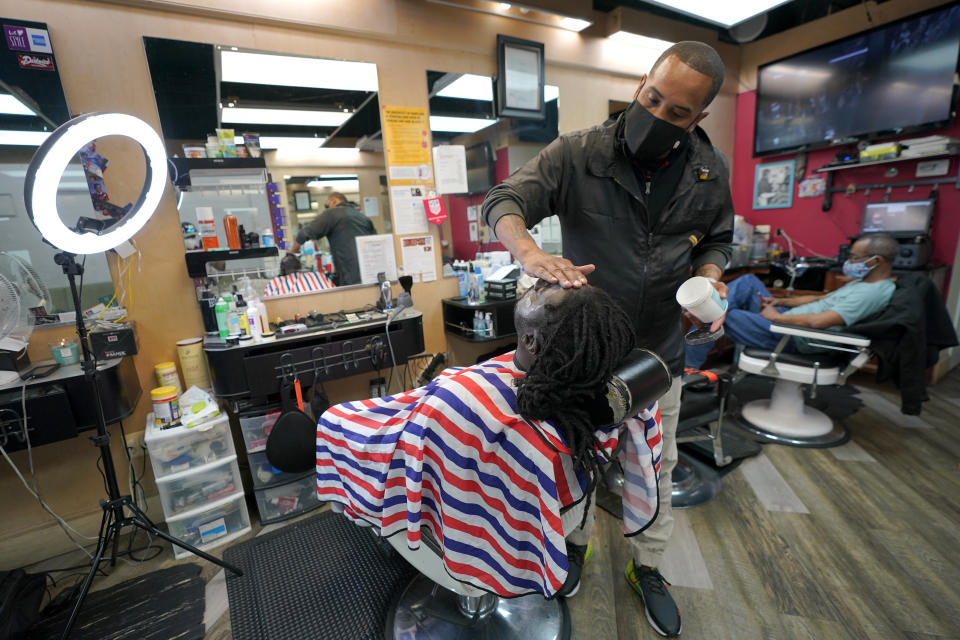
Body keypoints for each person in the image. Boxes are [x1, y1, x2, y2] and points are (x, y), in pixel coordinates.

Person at [481, 41, 733, 636]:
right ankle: (571, 546)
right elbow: (504, 199)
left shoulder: (707, 168)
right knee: (569, 462)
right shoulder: (577, 153)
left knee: (655, 468)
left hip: (659, 354)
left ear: (698, 118)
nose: (659, 114)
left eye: (677, 112)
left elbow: (718, 238)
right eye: (653, 98)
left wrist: (709, 277)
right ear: (643, 83)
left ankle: (648, 567)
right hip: (584, 355)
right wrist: (531, 251)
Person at [316, 281, 663, 598]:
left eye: (541, 292)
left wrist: (334, 423)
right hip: (554, 510)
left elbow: (398, 443)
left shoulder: (461, 400)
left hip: (444, 464)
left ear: (530, 341)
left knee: (335, 421)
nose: (542, 281)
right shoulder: (591, 389)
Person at [685, 233, 899, 368]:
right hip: (785, 321)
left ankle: (688, 368)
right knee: (749, 281)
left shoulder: (872, 293)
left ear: (876, 261)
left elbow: (819, 322)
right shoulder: (863, 283)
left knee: (718, 314)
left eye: (854, 257)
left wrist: (776, 317)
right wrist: (780, 303)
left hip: (793, 337)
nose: (849, 262)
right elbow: (823, 300)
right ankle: (703, 306)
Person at [288, 191, 375, 285]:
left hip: (349, 274)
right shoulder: (363, 217)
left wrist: (293, 251)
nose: (326, 209)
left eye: (327, 205)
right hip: (370, 272)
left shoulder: (332, 213)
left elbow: (305, 233)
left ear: (334, 201)